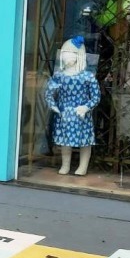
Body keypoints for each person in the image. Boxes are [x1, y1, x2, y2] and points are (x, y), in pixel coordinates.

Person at [44, 36, 101, 176]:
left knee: (85, 141)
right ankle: (65, 165)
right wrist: (53, 106)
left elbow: (96, 97)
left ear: (79, 55)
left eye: (70, 53)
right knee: (65, 141)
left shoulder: (88, 77)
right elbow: (49, 93)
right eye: (65, 53)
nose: (66, 57)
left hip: (81, 114)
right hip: (64, 114)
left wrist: (86, 107)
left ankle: (83, 166)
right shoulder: (59, 76)